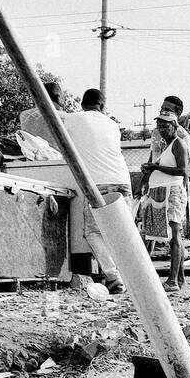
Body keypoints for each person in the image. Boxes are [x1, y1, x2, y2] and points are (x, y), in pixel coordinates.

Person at [59, 88, 132, 295]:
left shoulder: (72, 118)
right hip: (123, 181)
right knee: (122, 231)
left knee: (92, 232)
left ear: (82, 104)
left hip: (97, 184)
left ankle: (113, 277)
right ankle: (130, 276)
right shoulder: (112, 124)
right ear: (102, 105)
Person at [142, 111, 189, 291]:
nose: (162, 129)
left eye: (166, 125)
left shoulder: (179, 144)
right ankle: (180, 279)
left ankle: (172, 280)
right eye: (160, 126)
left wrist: (155, 167)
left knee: (175, 235)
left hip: (173, 191)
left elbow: (182, 171)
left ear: (175, 126)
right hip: (161, 191)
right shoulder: (164, 145)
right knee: (169, 235)